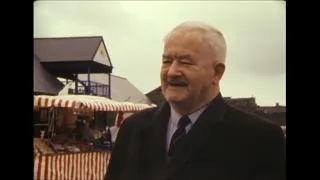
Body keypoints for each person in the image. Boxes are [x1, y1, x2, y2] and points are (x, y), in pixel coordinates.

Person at [105, 21, 286, 180]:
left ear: (217, 72)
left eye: (186, 62)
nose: (172, 72)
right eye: (167, 61)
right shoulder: (133, 127)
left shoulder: (260, 138)